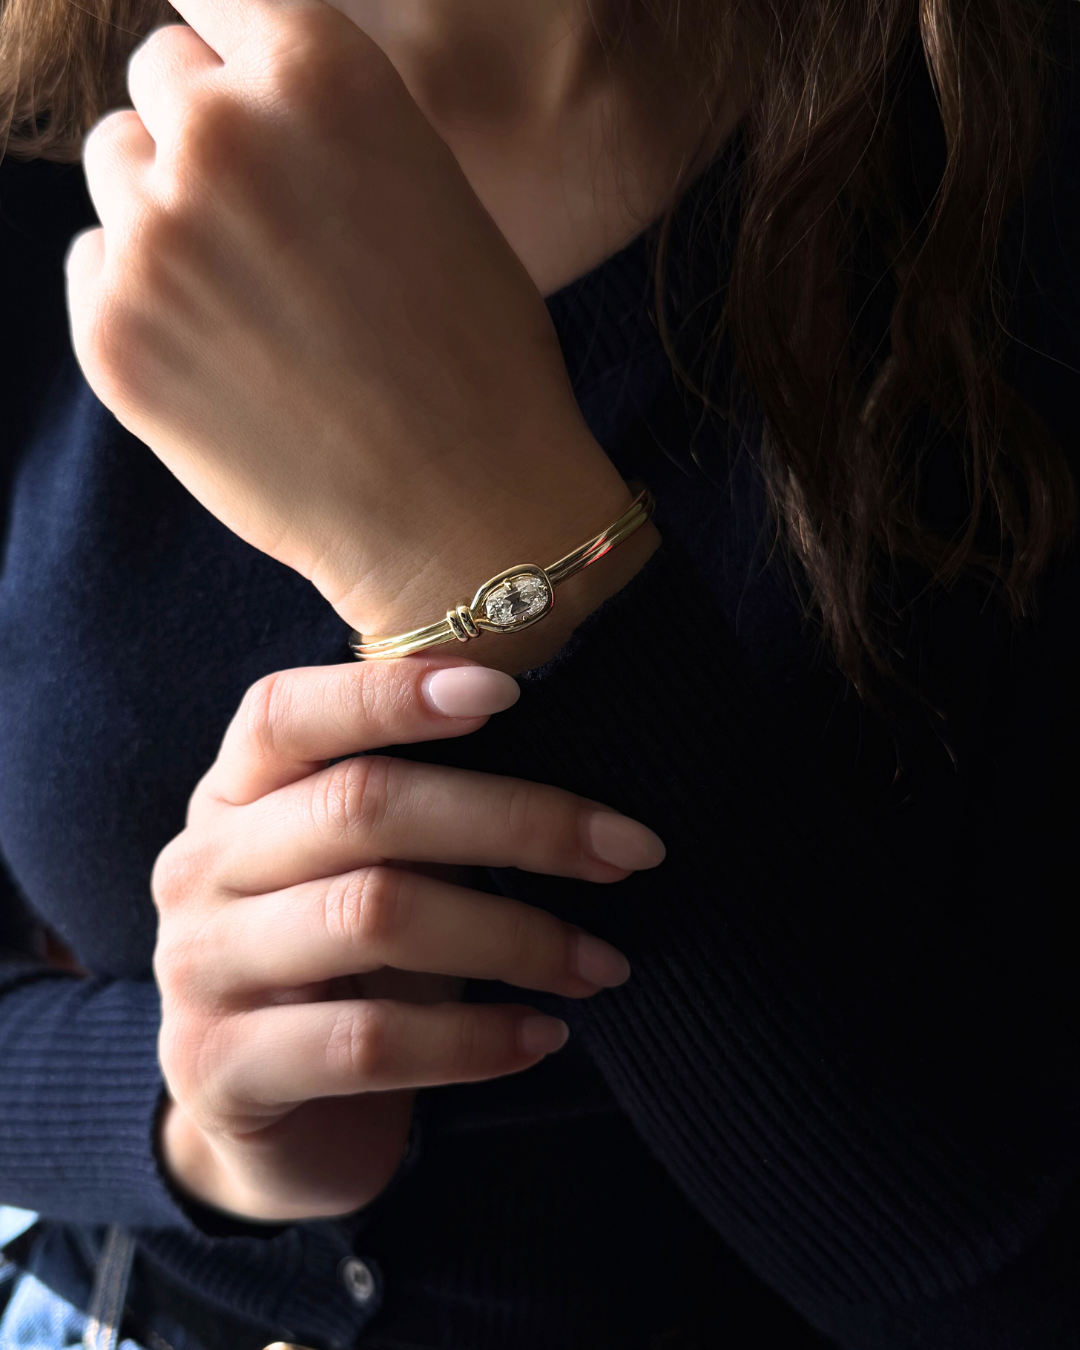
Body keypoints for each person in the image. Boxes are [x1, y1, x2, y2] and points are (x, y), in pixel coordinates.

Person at [0, 0, 1077, 1345]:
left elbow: (1012, 1294)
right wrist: (185, 1118)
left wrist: (481, 542)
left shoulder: (1009, 145)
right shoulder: (36, 121)